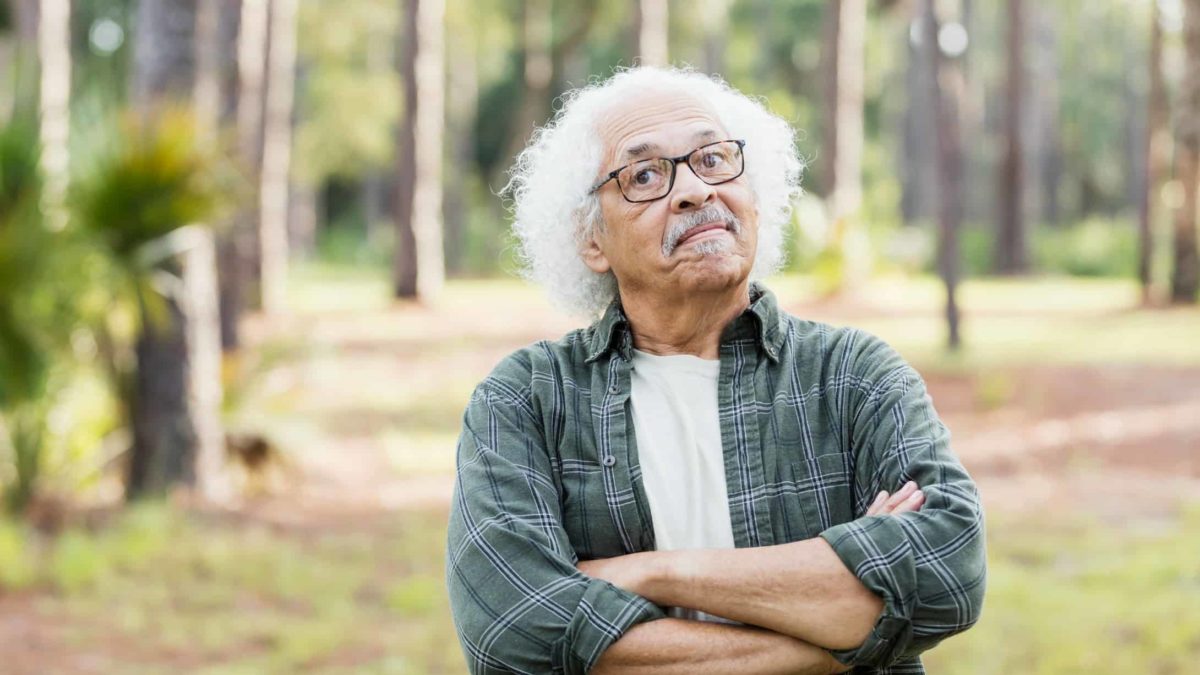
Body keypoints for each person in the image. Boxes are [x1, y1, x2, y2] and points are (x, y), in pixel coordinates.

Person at [446, 66, 986, 675]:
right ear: (590, 239)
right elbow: (515, 634)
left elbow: (948, 573)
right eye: (645, 174)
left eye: (712, 159)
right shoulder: (527, 401)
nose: (695, 191)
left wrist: (656, 571)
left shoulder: (852, 375)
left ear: (753, 194)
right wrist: (843, 633)